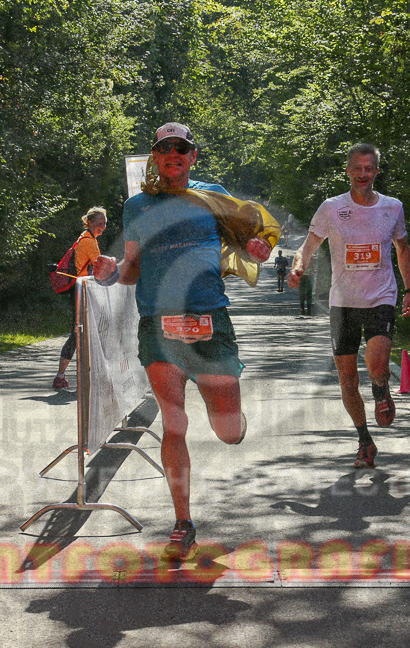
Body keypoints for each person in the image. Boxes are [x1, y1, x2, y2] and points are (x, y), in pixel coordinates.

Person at [92, 122, 268, 560]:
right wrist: (113, 271)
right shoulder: (137, 206)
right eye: (164, 148)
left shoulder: (213, 196)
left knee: (225, 431)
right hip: (159, 323)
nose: (173, 154)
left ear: (192, 156)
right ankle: (183, 523)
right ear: (155, 157)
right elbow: (131, 270)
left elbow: (245, 243)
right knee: (174, 424)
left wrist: (256, 248)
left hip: (210, 318)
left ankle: (234, 421)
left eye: (181, 148)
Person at [286, 143, 410, 469]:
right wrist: (297, 267)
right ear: (348, 171)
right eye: (357, 169)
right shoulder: (331, 208)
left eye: (369, 169)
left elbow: (403, 249)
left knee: (376, 365)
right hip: (342, 303)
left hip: (380, 297)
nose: (363, 174)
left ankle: (380, 387)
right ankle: (364, 440)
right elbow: (308, 246)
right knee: (347, 381)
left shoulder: (392, 207)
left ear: (376, 171)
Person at [52, 207, 107, 390]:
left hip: (81, 292)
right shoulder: (89, 242)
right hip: (81, 293)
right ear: (89, 222)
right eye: (99, 223)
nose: (102, 226)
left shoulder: (84, 238)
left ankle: (70, 376)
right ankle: (63, 376)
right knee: (79, 334)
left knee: (81, 333)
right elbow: (101, 267)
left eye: (104, 223)